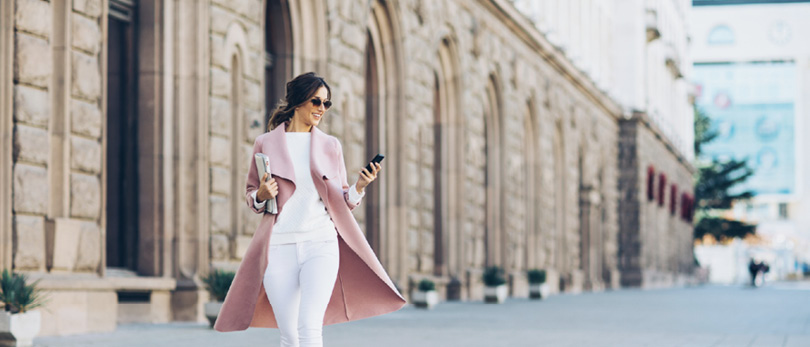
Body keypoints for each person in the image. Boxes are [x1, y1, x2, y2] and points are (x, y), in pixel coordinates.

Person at [214, 72, 405, 346]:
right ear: (298, 101)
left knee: (310, 326)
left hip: (321, 243)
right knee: (289, 334)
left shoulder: (330, 145)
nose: (321, 109)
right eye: (316, 101)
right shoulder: (265, 143)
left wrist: (360, 186)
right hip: (279, 247)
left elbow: (342, 201)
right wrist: (261, 194)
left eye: (326, 104)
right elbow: (251, 196)